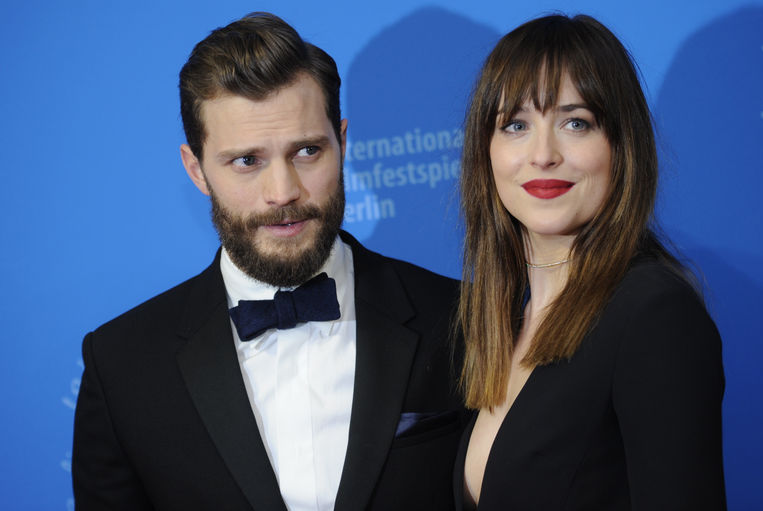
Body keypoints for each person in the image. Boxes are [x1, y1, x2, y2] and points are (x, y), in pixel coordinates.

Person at [72, 12, 463, 511]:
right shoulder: (122, 364)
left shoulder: (461, 319)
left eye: (306, 151)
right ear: (196, 169)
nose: (282, 192)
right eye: (246, 161)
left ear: (342, 143)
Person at [455, 14, 726, 510]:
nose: (543, 154)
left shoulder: (653, 313)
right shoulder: (499, 322)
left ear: (621, 146)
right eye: (516, 125)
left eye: (575, 123)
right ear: (485, 151)